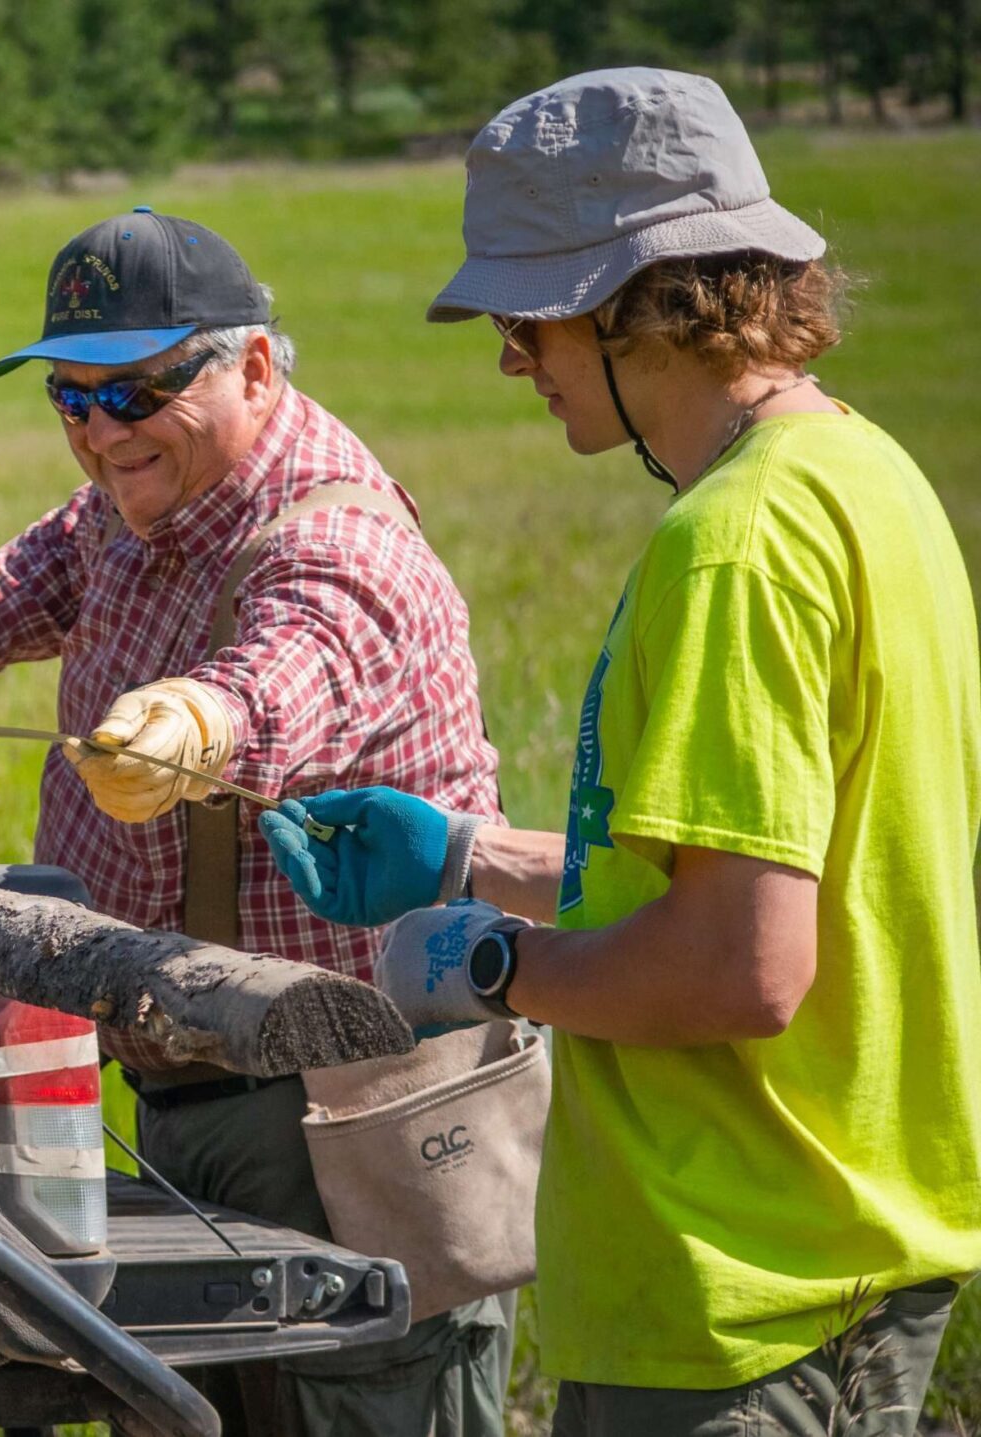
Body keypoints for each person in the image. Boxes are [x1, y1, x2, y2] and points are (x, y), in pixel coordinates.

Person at [260, 69, 981, 1437]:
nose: (510, 357)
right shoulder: (866, 478)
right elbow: (772, 883)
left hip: (737, 1289)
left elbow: (743, 966)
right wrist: (476, 857)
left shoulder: (731, 544)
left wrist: (489, 966)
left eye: (527, 318)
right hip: (835, 1254)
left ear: (629, 298)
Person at [0, 210, 510, 1435]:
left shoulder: (331, 536)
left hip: (351, 1107)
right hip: (194, 1075)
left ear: (257, 366)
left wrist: (196, 727)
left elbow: (294, 671)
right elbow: (35, 574)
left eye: (136, 391)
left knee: (372, 1401)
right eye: (69, 398)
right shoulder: (139, 499)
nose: (99, 430)